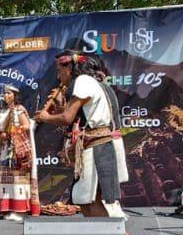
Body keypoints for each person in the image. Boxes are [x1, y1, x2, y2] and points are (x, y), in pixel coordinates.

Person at [35, 51, 128, 218]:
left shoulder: (83, 81)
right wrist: (58, 110)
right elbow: (79, 115)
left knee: (87, 199)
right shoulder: (96, 83)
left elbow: (67, 118)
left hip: (99, 146)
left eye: (59, 70)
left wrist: (46, 117)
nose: (58, 75)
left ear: (69, 68)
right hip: (103, 144)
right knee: (88, 199)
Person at [0, 85, 40, 221]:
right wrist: (0, 137)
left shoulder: (20, 110)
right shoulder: (2, 111)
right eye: (5, 94)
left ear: (15, 95)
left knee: (19, 179)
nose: (6, 96)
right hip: (5, 149)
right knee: (6, 179)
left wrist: (10, 132)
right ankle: (8, 209)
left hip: (17, 149)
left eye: (9, 93)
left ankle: (20, 210)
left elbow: (26, 126)